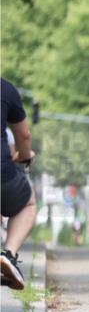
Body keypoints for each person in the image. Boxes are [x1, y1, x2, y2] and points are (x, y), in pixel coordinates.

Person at [1, 78, 38, 290]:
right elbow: (24, 134)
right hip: (2, 175)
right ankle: (9, 255)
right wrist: (24, 156)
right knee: (28, 203)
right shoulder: (6, 89)